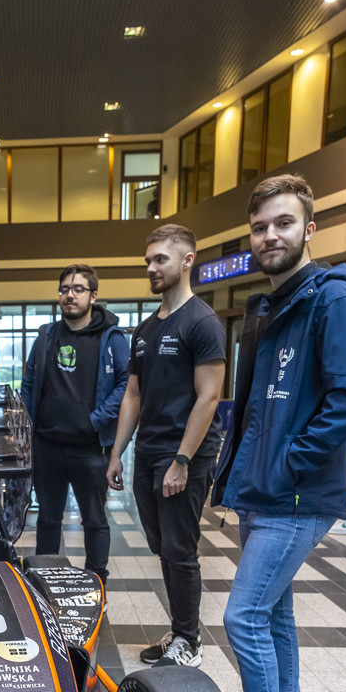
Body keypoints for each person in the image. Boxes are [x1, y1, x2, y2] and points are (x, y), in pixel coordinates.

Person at [211, 175, 346, 692]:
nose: (270, 235)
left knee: (242, 616)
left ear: (309, 229)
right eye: (261, 227)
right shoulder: (269, 306)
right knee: (273, 614)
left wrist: (292, 463)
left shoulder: (334, 298)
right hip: (264, 490)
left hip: (293, 495)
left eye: (284, 223)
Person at [107, 225, 225, 666]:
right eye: (149, 261)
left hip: (184, 455)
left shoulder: (202, 322)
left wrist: (182, 460)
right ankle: (179, 629)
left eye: (161, 259)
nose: (152, 268)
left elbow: (208, 397)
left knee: (179, 548)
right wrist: (117, 452)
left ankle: (189, 641)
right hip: (150, 452)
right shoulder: (145, 329)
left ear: (187, 260)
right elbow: (133, 395)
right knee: (162, 545)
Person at [21, 263, 129, 584]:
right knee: (48, 519)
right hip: (47, 445)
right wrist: (27, 425)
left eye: (78, 289)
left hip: (90, 448)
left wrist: (96, 420)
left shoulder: (111, 338)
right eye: (64, 289)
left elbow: (127, 384)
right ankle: (44, 580)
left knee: (94, 520)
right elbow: (29, 383)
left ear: (93, 296)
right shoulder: (46, 336)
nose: (70, 295)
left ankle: (97, 582)